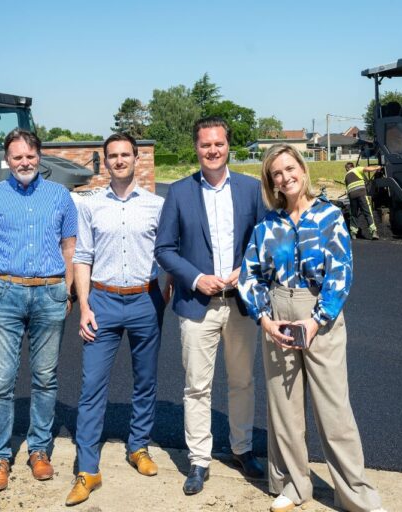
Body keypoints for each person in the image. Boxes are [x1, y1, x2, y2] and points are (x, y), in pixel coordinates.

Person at [239, 144, 385, 512]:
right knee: (284, 410)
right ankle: (293, 484)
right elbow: (249, 275)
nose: (285, 177)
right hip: (278, 314)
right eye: (277, 173)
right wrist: (264, 318)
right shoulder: (266, 226)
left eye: (290, 168)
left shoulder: (329, 217)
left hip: (320, 313)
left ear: (303, 171)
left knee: (334, 409)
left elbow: (341, 271)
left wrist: (318, 319)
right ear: (271, 182)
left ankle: (357, 496)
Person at [154, 116, 267, 496]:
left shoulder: (252, 190)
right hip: (197, 303)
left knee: (242, 382)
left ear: (228, 146)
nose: (212, 150)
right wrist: (196, 278)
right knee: (197, 387)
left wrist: (245, 269)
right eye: (205, 145)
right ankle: (199, 460)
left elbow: (263, 242)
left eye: (218, 144)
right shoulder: (179, 192)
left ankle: (242, 449)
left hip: (240, 305)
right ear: (197, 148)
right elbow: (164, 250)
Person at [0, 129, 77, 493]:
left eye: (30, 156)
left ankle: (40, 450)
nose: (24, 163)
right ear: (6, 161)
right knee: (1, 382)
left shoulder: (60, 196)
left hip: (49, 293)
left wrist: (69, 292)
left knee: (46, 378)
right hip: (3, 294)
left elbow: (70, 249)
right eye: (17, 157)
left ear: (39, 157)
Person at [65, 133, 173, 506]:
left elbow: (168, 251)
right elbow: (82, 256)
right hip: (103, 301)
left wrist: (167, 287)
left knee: (146, 381)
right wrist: (84, 305)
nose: (119, 160)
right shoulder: (90, 205)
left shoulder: (157, 204)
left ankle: (138, 447)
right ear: (105, 161)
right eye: (113, 155)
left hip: (146, 300)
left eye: (126, 154)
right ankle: (88, 469)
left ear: (137, 158)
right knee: (92, 386)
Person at [344, 162, 381, 240]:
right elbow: (367, 169)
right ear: (352, 167)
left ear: (347, 169)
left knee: (354, 214)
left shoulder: (346, 176)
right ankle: (373, 231)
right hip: (361, 194)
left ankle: (353, 233)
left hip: (352, 197)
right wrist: (377, 168)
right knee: (367, 212)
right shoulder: (356, 169)